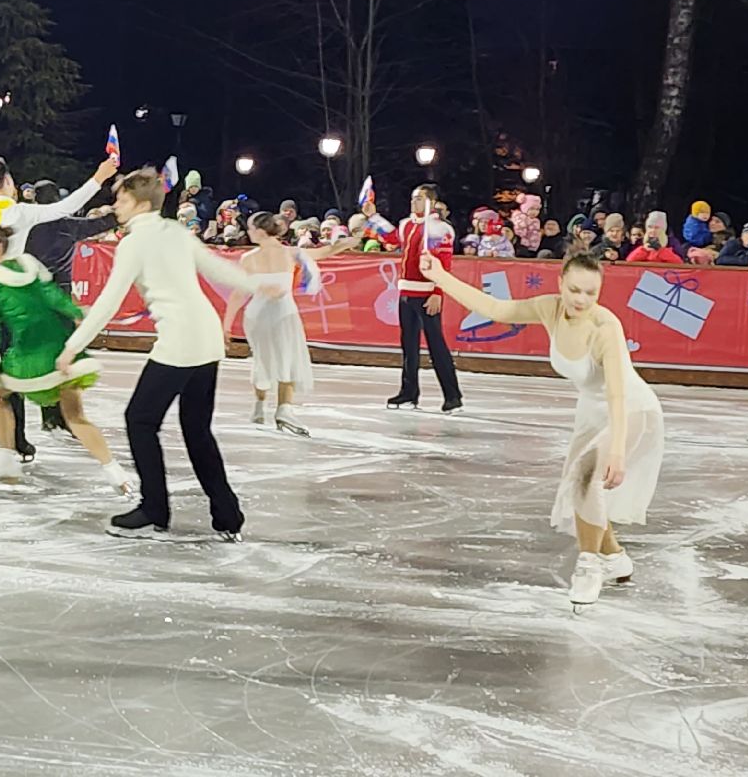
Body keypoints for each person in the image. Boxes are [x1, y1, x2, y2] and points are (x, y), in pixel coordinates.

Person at [421, 253, 665, 609]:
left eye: (591, 293)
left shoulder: (604, 327)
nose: (581, 299)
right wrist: (440, 276)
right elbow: (495, 309)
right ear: (560, 284)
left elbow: (616, 391)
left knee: (585, 476)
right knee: (581, 487)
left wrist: (616, 451)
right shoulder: (548, 308)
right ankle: (615, 558)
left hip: (630, 409)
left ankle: (589, 566)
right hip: (592, 412)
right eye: (575, 290)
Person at [59, 168, 286, 540]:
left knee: (140, 420)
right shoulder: (175, 232)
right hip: (207, 337)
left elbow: (108, 303)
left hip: (180, 340)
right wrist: (257, 287)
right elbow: (219, 269)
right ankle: (227, 514)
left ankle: (154, 509)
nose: (115, 204)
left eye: (121, 198)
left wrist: (72, 346)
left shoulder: (134, 243)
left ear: (140, 202)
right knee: (196, 430)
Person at [0, 153, 119, 460]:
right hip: (10, 296)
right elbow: (66, 207)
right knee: (10, 366)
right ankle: (17, 440)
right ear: (8, 182)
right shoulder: (23, 212)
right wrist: (100, 175)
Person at [0, 225, 133, 494]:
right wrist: (76, 312)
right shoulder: (28, 266)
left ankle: (6, 460)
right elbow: (54, 295)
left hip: (29, 358)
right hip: (62, 349)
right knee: (75, 416)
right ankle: (114, 471)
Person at [222, 212, 355, 436]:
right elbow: (326, 251)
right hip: (282, 313)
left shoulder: (249, 259)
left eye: (251, 228)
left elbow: (238, 294)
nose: (248, 232)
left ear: (262, 231)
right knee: (288, 358)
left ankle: (259, 406)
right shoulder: (292, 253)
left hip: (256, 315)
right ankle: (284, 408)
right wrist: (349, 242)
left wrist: (226, 325)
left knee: (262, 360)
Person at [22, 179, 120, 435]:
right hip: (61, 297)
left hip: (34, 295)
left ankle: (48, 413)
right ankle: (63, 415)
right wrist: (120, 209)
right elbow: (103, 223)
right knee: (64, 355)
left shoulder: (28, 225)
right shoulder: (68, 225)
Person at [388, 184, 463, 414]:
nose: (413, 202)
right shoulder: (406, 225)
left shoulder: (440, 229)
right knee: (408, 346)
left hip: (426, 293)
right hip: (406, 292)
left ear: (430, 201)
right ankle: (409, 393)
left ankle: (453, 396)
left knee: (436, 345)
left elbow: (444, 265)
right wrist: (372, 217)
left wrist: (437, 293)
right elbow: (390, 237)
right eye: (412, 198)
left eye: (418, 198)